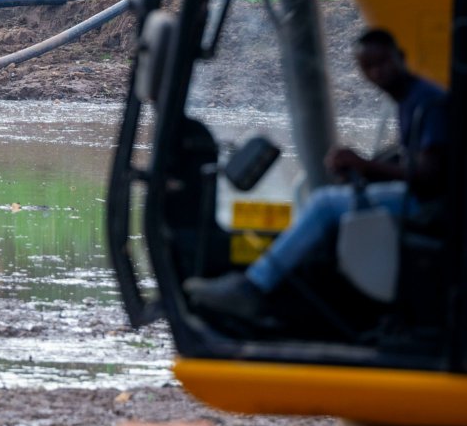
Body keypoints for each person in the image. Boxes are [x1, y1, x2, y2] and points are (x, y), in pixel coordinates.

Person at [185, 28, 446, 322]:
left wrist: (365, 166)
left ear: (400, 58)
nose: (378, 73)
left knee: (324, 203)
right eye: (368, 67)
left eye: (383, 63)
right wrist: (362, 169)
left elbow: (430, 176)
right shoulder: (410, 99)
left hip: (426, 203)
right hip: (420, 197)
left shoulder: (428, 102)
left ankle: (252, 288)